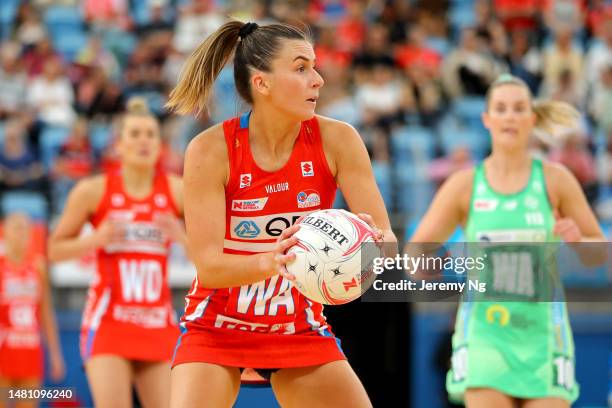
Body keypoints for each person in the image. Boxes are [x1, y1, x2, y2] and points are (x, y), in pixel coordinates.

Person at [165, 20, 396, 408]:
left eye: (315, 66)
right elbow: (210, 267)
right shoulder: (210, 150)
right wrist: (276, 260)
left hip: (298, 325)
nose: (318, 79)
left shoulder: (339, 139)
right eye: (301, 67)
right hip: (218, 325)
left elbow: (387, 241)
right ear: (262, 83)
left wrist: (369, 249)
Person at [408, 74, 605, 408]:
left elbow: (597, 255)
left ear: (531, 119)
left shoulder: (556, 180)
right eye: (500, 108)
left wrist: (578, 240)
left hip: (544, 334)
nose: (510, 116)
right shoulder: (465, 184)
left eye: (518, 109)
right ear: (486, 119)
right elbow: (415, 251)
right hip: (486, 335)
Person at [48, 98, 186, 408]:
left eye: (150, 134)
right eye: (135, 134)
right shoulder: (93, 190)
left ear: (159, 144)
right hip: (109, 320)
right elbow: (53, 250)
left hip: (157, 321)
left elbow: (210, 248)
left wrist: (181, 236)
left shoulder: (178, 190)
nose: (143, 141)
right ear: (118, 145)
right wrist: (95, 239)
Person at [0, 212, 65, 408]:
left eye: (25, 229)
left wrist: (55, 354)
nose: (22, 233)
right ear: (5, 233)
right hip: (4, 350)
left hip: (30, 350)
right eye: (16, 228)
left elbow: (46, 314)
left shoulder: (38, 267)